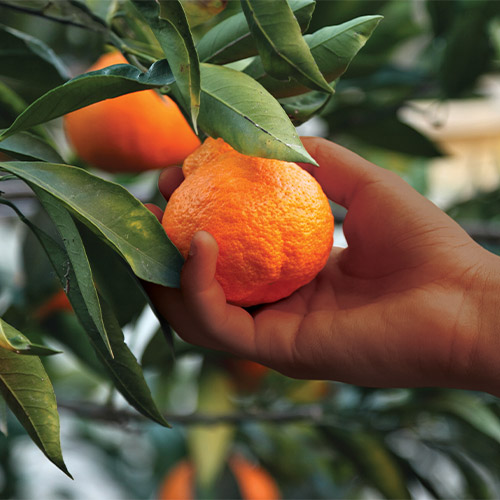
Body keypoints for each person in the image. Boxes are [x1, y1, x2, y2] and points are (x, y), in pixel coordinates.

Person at [146, 137, 500, 398]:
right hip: (299, 255)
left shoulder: (246, 171)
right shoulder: (241, 175)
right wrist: (469, 310)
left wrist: (471, 308)